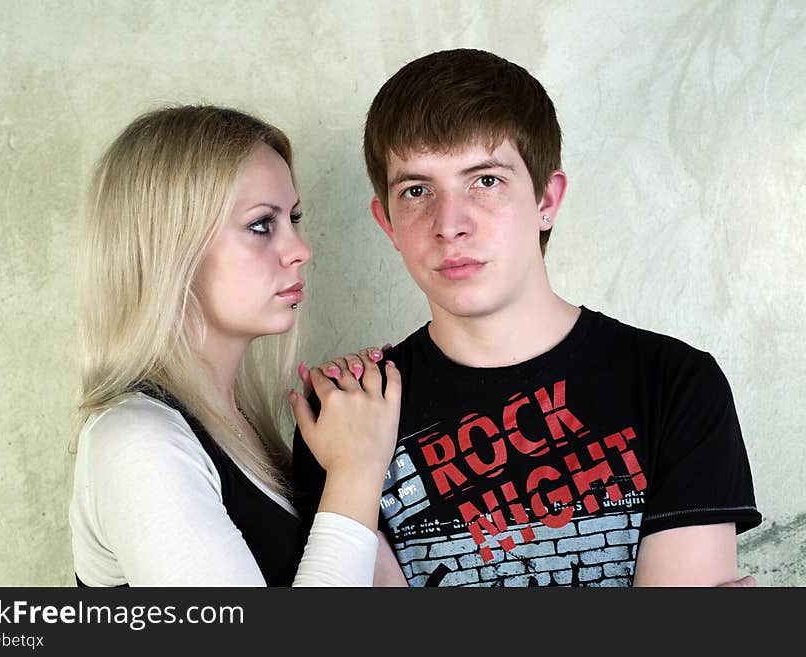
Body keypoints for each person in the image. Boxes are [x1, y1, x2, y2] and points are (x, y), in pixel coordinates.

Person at [293, 49, 762, 587]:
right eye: (417, 191)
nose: (450, 224)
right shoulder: (346, 413)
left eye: (485, 181)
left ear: (546, 198)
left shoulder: (675, 382)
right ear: (388, 222)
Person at [69, 105, 401, 586]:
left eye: (294, 218)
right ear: (171, 246)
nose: (301, 249)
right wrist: (356, 471)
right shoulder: (135, 440)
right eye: (262, 225)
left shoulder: (234, 427)